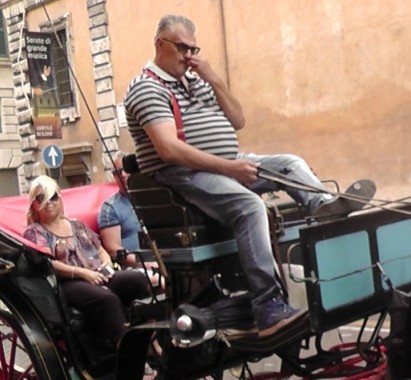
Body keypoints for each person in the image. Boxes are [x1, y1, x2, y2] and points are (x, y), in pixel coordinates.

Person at [124, 14, 359, 337]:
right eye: (182, 48)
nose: (189, 56)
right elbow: (169, 150)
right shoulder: (147, 87)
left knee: (289, 163)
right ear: (160, 45)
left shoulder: (196, 79)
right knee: (250, 207)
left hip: (227, 161)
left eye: (194, 49)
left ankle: (322, 207)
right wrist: (229, 168)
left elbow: (237, 120)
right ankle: (267, 305)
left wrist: (215, 79)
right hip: (183, 173)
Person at [23, 175, 151, 348]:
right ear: (34, 205)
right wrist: (83, 273)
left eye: (53, 197)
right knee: (108, 300)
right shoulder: (35, 232)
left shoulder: (77, 224)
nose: (49, 202)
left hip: (98, 272)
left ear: (60, 199)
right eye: (41, 198)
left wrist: (106, 265)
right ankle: (128, 351)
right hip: (69, 281)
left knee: (139, 281)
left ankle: (151, 341)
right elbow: (47, 263)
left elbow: (99, 249)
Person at [97, 153, 162, 287]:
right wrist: (147, 263)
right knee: (162, 281)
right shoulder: (110, 208)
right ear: (114, 177)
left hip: (166, 258)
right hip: (136, 267)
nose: (123, 175)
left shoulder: (153, 197)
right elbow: (113, 248)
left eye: (126, 169)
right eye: (118, 172)